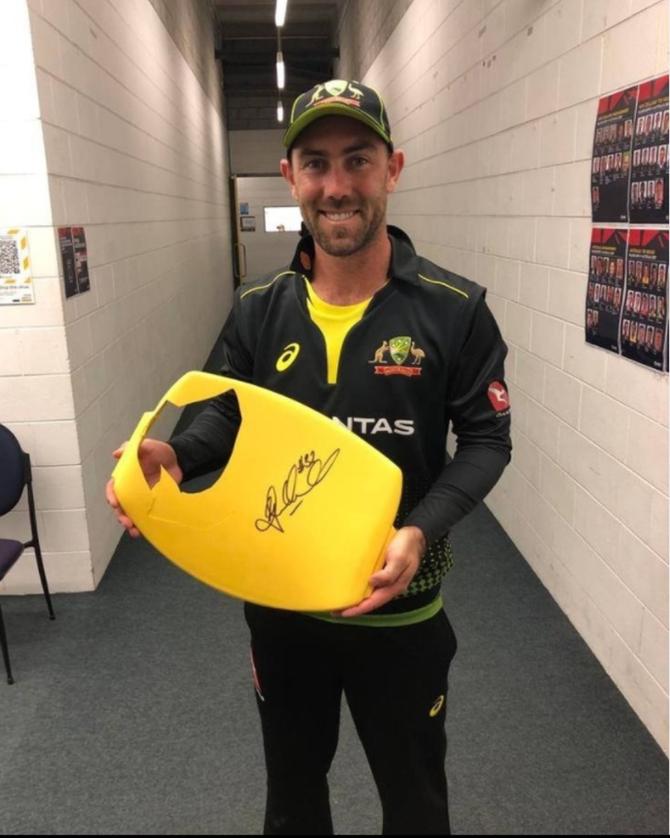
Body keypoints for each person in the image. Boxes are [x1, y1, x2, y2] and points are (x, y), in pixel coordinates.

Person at [106, 79, 512, 835]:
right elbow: (222, 420)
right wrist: (174, 456)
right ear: (291, 177)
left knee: (417, 804)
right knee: (293, 800)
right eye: (316, 164)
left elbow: (487, 441)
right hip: (282, 603)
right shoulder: (260, 308)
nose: (336, 185)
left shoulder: (454, 310)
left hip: (402, 609)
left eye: (357, 160)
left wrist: (420, 529)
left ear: (392, 168)